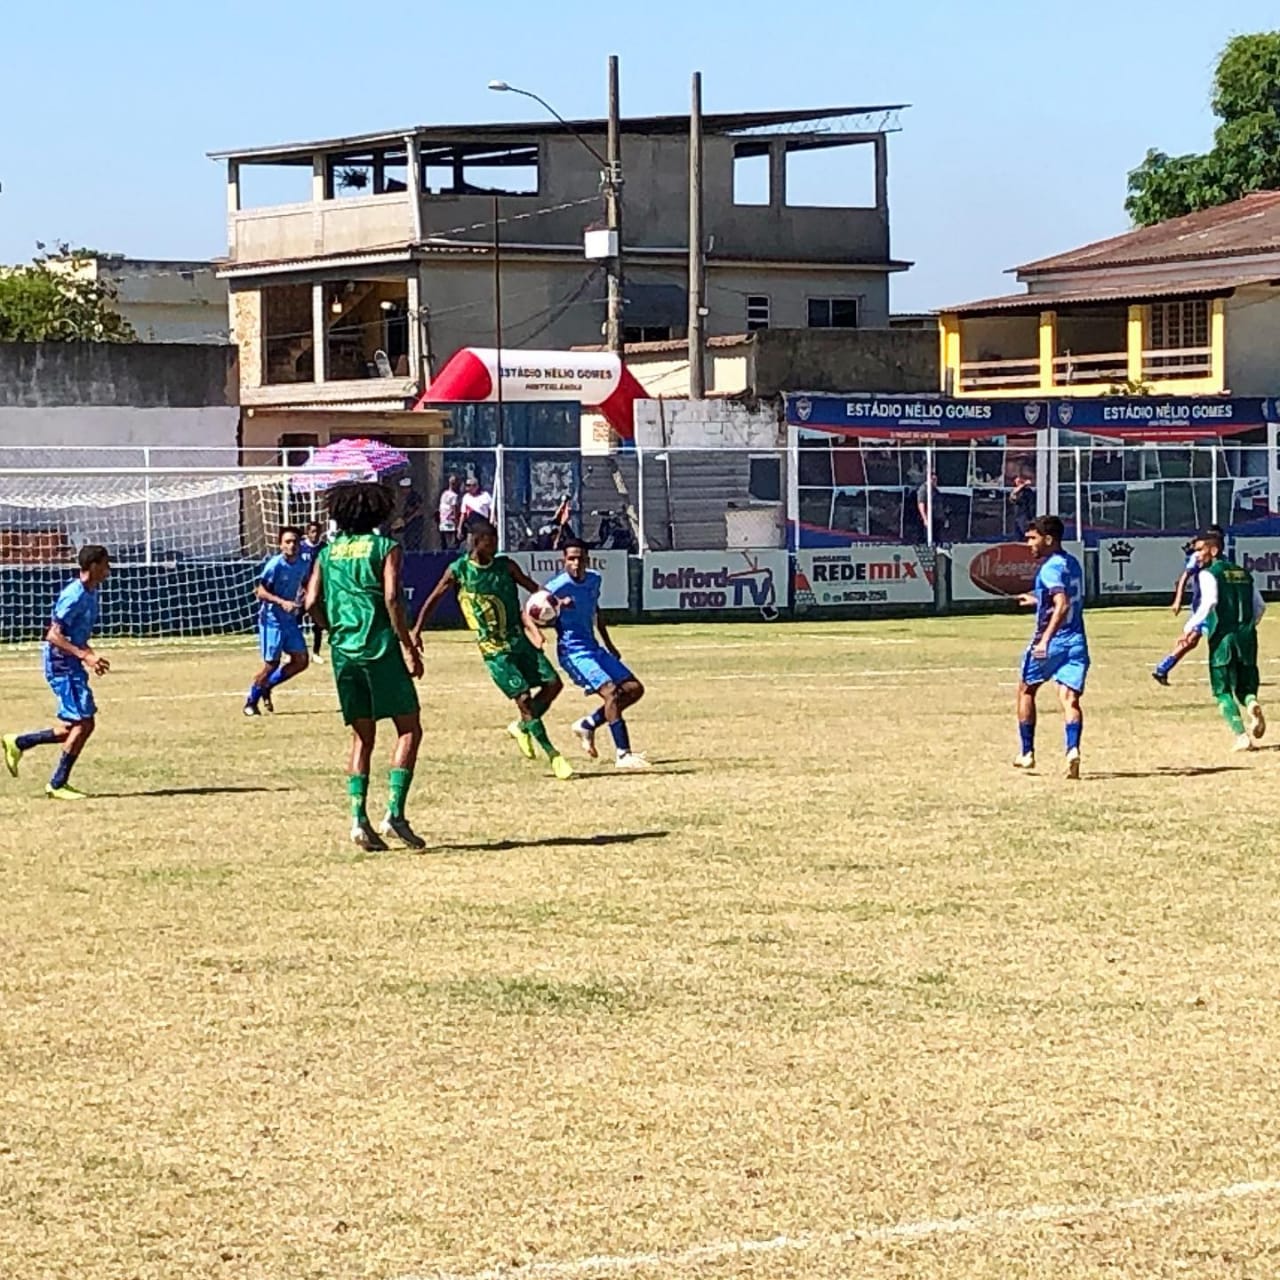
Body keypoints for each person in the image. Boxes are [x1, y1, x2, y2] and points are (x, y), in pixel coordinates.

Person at [304, 481, 426, 850]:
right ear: (378, 511)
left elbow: (310, 602)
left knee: (362, 736)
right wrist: (408, 645)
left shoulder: (328, 552)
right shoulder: (385, 547)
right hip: (379, 647)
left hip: (344, 652)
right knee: (408, 728)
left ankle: (358, 819)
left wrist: (333, 629)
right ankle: (394, 814)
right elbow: (391, 597)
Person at [413, 518, 574, 780]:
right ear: (477, 541)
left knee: (553, 684)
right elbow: (434, 598)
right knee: (523, 698)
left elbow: (531, 587)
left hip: (518, 640)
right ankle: (554, 755)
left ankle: (523, 727)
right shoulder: (460, 570)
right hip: (494, 649)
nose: (496, 545)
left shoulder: (506, 565)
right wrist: (417, 629)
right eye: (492, 540)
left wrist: (556, 601)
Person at [3, 545, 112, 800]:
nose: (109, 570)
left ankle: (19, 742)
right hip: (60, 664)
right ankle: (57, 783)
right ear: (94, 566)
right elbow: (53, 635)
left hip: (70, 662)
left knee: (75, 726)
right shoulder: (74, 595)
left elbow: (76, 635)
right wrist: (83, 655)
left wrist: (90, 656)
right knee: (84, 723)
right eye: (106, 565)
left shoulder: (91, 593)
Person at [545, 539, 648, 769]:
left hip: (593, 647)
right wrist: (555, 608)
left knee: (633, 689)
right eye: (571, 558)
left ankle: (588, 724)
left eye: (580, 558)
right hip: (573, 652)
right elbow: (534, 611)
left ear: (587, 560)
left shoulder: (593, 579)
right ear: (564, 561)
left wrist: (609, 644)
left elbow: (595, 611)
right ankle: (623, 754)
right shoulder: (556, 587)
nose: (576, 563)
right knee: (610, 692)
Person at [1014, 515, 1089, 779]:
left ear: (1048, 539)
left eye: (1033, 539)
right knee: (1070, 699)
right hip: (1077, 640)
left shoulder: (1049, 569)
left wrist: (1045, 640)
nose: (1029, 544)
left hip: (1053, 640)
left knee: (1026, 689)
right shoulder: (1073, 564)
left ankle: (1027, 752)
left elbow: (1062, 604)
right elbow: (1067, 597)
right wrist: (1036, 599)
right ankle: (1072, 749)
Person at [1183, 530, 1267, 751]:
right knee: (1245, 685)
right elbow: (1260, 607)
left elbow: (1209, 602)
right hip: (1247, 637)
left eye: (1200, 550)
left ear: (1214, 549)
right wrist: (1248, 625)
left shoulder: (1210, 573)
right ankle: (1251, 703)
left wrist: (1189, 626)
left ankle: (1242, 736)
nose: (1196, 555)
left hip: (1223, 638)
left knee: (1222, 690)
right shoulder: (1243, 573)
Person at [245, 527, 311, 716]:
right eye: (288, 542)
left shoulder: (303, 563)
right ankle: (251, 701)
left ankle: (268, 685)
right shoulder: (275, 565)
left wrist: (306, 598)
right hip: (272, 620)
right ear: (280, 545)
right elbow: (261, 592)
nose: (292, 545)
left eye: (295, 542)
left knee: (301, 660)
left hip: (289, 620)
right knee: (271, 665)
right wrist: (282, 602)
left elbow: (305, 582)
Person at [1152, 524, 1224, 686]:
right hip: (1203, 605)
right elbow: (1185, 577)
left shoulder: (1223, 561)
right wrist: (1178, 599)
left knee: (1194, 640)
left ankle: (1162, 668)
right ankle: (1162, 668)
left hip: (1217, 606)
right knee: (1192, 639)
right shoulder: (1198, 558)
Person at [300, 520, 327, 663]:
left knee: (318, 622)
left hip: (318, 591)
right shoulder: (300, 548)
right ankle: (293, 651)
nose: (315, 535)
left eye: (317, 532)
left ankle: (316, 652)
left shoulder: (324, 548)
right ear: (307, 533)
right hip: (302, 590)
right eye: (312, 531)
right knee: (295, 620)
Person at [915, 472, 945, 543]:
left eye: (936, 479)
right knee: (925, 538)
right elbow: (921, 504)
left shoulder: (935, 490)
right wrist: (925, 519)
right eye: (933, 479)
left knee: (937, 538)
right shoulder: (923, 489)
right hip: (928, 519)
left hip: (936, 519)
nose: (935, 481)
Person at [437, 474, 462, 549]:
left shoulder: (444, 493)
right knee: (452, 544)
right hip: (451, 522)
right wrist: (457, 523)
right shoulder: (454, 496)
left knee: (444, 544)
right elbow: (454, 509)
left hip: (443, 521)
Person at [1008, 475, 1036, 540]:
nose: (1018, 483)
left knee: (1025, 531)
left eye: (1020, 481)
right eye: (1017, 481)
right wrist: (1024, 484)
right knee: (1017, 533)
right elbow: (1013, 497)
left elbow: (1030, 504)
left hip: (1024, 514)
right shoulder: (1015, 491)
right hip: (1016, 515)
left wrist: (1031, 516)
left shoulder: (1027, 491)